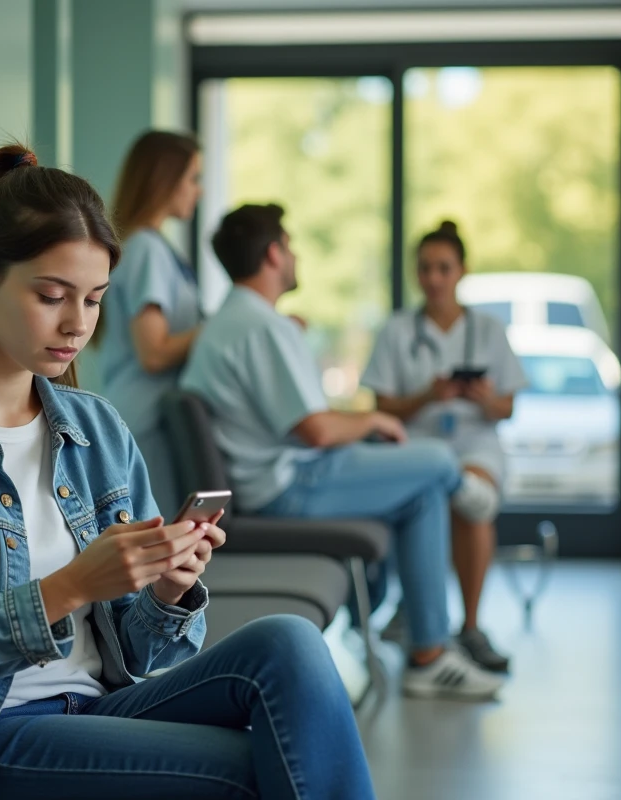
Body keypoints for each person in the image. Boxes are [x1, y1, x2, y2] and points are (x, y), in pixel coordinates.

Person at [0, 146, 375, 800]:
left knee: (291, 645)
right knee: (255, 768)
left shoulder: (95, 430)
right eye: (51, 296)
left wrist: (164, 592)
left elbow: (141, 657)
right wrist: (67, 588)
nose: (77, 324)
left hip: (94, 708)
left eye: (94, 299)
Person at [182, 203, 506, 701]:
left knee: (422, 492)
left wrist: (361, 426)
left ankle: (428, 655)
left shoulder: (242, 320)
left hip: (290, 474)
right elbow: (314, 430)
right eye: (288, 245)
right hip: (290, 486)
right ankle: (466, 493)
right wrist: (374, 420)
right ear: (273, 253)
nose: (293, 255)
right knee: (438, 461)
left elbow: (305, 423)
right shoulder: (260, 326)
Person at [361, 221, 527, 672]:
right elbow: (383, 407)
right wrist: (429, 396)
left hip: (474, 440)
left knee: (473, 504)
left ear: (461, 271)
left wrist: (482, 398)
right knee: (431, 493)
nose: (433, 278)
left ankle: (469, 627)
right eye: (425, 269)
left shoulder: (489, 329)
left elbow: (507, 407)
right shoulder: (397, 330)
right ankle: (415, 610)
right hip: (417, 440)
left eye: (443, 268)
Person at [96, 130, 203, 517]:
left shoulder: (158, 248)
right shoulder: (145, 250)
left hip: (152, 418)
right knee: (155, 544)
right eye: (193, 179)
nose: (198, 191)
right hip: (144, 420)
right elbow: (154, 352)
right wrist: (220, 327)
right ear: (165, 180)